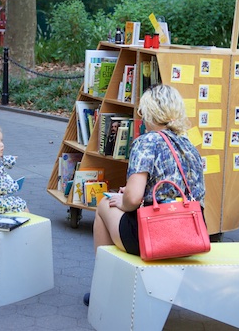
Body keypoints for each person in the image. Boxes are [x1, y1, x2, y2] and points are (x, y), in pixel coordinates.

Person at [85, 84, 205, 305]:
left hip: (156, 234)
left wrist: (124, 199)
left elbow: (133, 199)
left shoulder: (147, 141)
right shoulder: (189, 145)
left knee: (105, 203)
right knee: (117, 202)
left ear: (149, 113)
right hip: (190, 233)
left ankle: (104, 288)